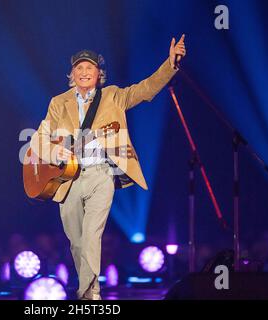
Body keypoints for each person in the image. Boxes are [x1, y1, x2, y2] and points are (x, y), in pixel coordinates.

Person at [30, 35, 186, 300]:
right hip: (67, 178)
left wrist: (170, 64)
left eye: (89, 67)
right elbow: (38, 138)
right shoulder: (59, 102)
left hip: (101, 174)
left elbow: (146, 89)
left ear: (99, 74)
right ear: (72, 75)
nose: (84, 72)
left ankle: (90, 296)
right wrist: (56, 150)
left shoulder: (113, 96)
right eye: (79, 68)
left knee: (92, 236)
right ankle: (88, 291)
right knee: (77, 242)